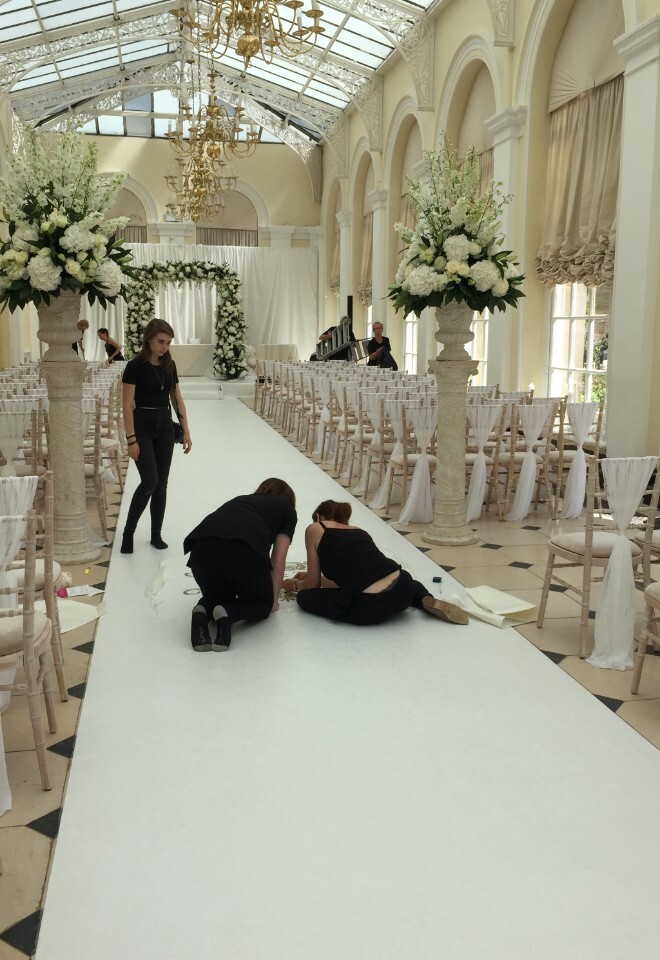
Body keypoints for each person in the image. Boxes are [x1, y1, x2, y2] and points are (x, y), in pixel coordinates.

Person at [282, 500, 468, 626]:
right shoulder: (358, 531)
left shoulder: (315, 528)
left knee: (305, 598)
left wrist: (296, 584)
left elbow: (312, 584)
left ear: (317, 517)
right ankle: (422, 598)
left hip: (372, 606)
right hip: (403, 588)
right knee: (410, 583)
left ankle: (407, 601)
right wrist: (321, 579)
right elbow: (351, 577)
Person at [183, 478, 297, 651]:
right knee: (260, 604)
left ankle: (203, 611)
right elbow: (278, 560)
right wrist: (272, 601)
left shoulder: (241, 500)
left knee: (221, 595)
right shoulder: (287, 509)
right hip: (243, 550)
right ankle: (229, 613)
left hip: (201, 551)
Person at [120, 318, 191, 554]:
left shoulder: (169, 366)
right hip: (142, 427)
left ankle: (155, 534)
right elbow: (127, 404)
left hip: (164, 428)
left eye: (168, 343)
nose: (164, 347)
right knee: (149, 481)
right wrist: (131, 439)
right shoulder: (134, 366)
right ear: (148, 338)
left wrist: (186, 431)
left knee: (161, 485)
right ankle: (128, 532)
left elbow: (176, 398)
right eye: (161, 341)